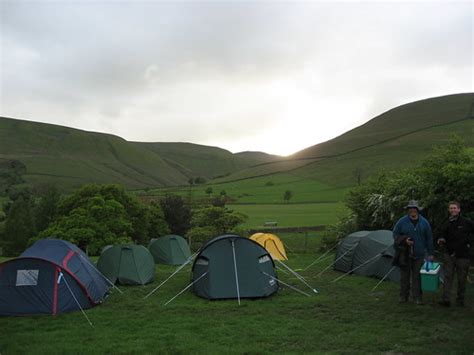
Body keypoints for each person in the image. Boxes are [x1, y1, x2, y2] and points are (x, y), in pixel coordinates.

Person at [393, 200, 434, 305]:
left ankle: (417, 298)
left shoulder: (424, 223)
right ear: (408, 210)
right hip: (405, 254)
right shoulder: (401, 222)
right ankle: (403, 296)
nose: (412, 210)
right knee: (404, 277)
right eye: (410, 209)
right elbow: (395, 234)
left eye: (414, 208)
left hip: (419, 255)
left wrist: (430, 254)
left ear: (417, 210)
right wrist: (404, 241)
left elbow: (429, 239)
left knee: (417, 278)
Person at [437, 201, 474, 307]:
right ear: (449, 210)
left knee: (462, 279)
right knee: (448, 277)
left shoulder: (467, 222)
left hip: (463, 256)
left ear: (459, 209)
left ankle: (460, 299)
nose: (453, 210)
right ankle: (446, 299)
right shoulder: (446, 222)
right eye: (451, 208)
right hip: (449, 254)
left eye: (454, 208)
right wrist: (440, 239)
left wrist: (470, 245)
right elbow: (441, 234)